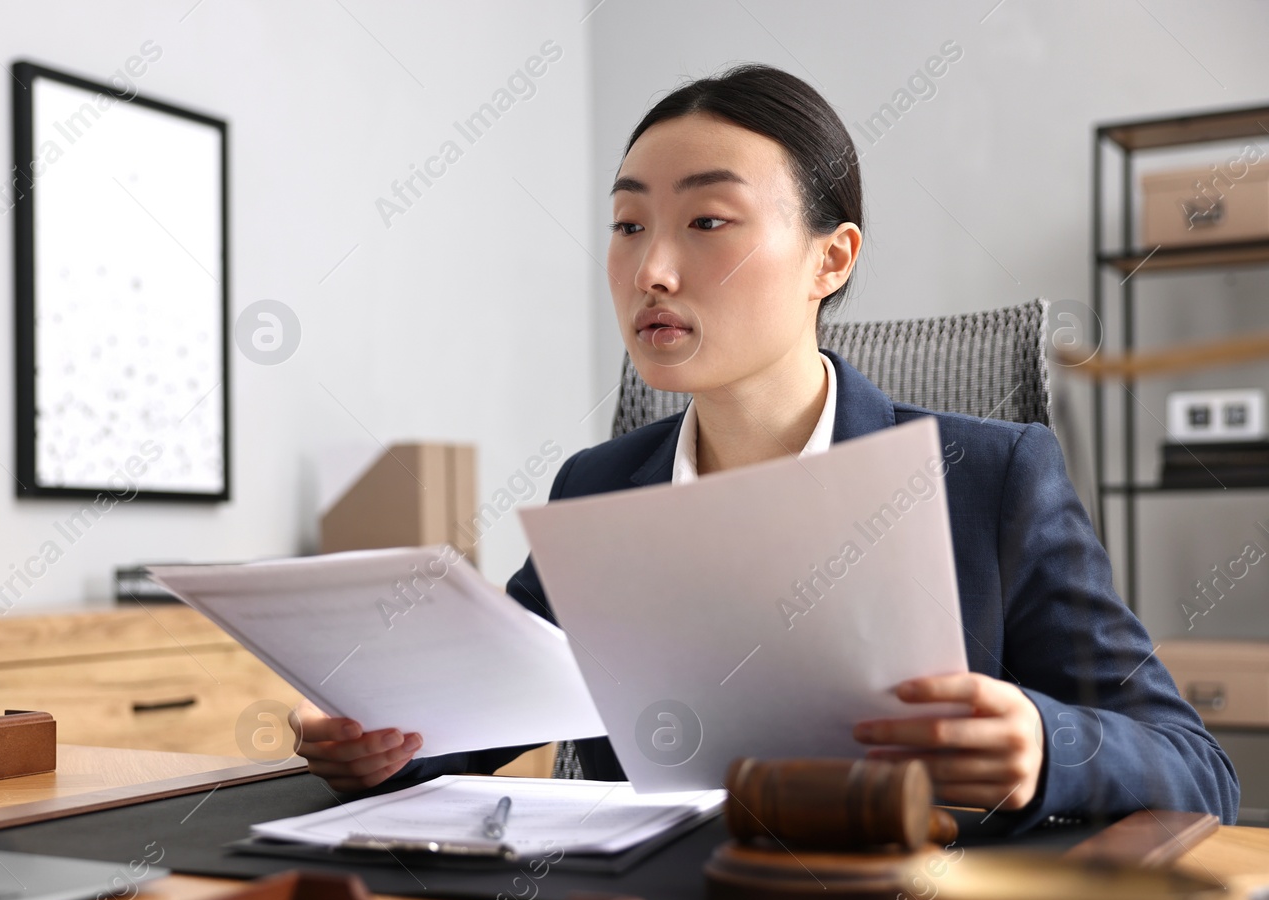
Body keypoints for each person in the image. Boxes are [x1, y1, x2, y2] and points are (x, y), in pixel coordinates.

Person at [292, 64, 1238, 832]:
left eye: (707, 223)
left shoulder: (994, 477)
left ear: (832, 258)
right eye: (628, 226)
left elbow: (1197, 767)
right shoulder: (600, 486)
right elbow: (496, 712)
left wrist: (1043, 740)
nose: (651, 270)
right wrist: (381, 743)